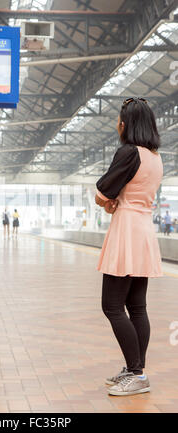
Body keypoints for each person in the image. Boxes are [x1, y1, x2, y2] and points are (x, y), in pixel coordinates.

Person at [95, 97, 163, 397]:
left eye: (118, 120)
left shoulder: (128, 152)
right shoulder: (154, 156)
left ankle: (136, 373)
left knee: (111, 305)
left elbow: (102, 191)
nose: (116, 125)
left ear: (126, 125)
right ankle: (137, 370)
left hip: (126, 232)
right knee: (137, 306)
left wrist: (108, 201)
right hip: (145, 230)